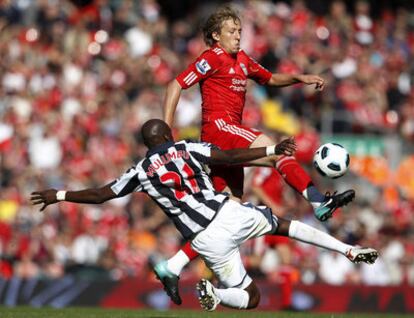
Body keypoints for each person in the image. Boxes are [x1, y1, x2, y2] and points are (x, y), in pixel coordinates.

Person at [31, 119, 378, 311]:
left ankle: (205, 285)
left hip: (205, 241)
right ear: (168, 135)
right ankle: (346, 248)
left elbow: (101, 194)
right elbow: (227, 158)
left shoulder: (140, 170)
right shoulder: (186, 147)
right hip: (227, 214)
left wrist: (59, 194)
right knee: (284, 226)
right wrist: (271, 150)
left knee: (250, 296)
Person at [156, 5, 355, 303]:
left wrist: (300, 77)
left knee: (226, 216)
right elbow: (175, 84)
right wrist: (166, 133)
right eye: (232, 31)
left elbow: (271, 79)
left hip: (228, 140)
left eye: (239, 30)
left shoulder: (243, 60)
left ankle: (172, 266)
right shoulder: (211, 58)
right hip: (220, 130)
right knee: (277, 150)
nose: (238, 35)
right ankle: (318, 202)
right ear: (215, 36)